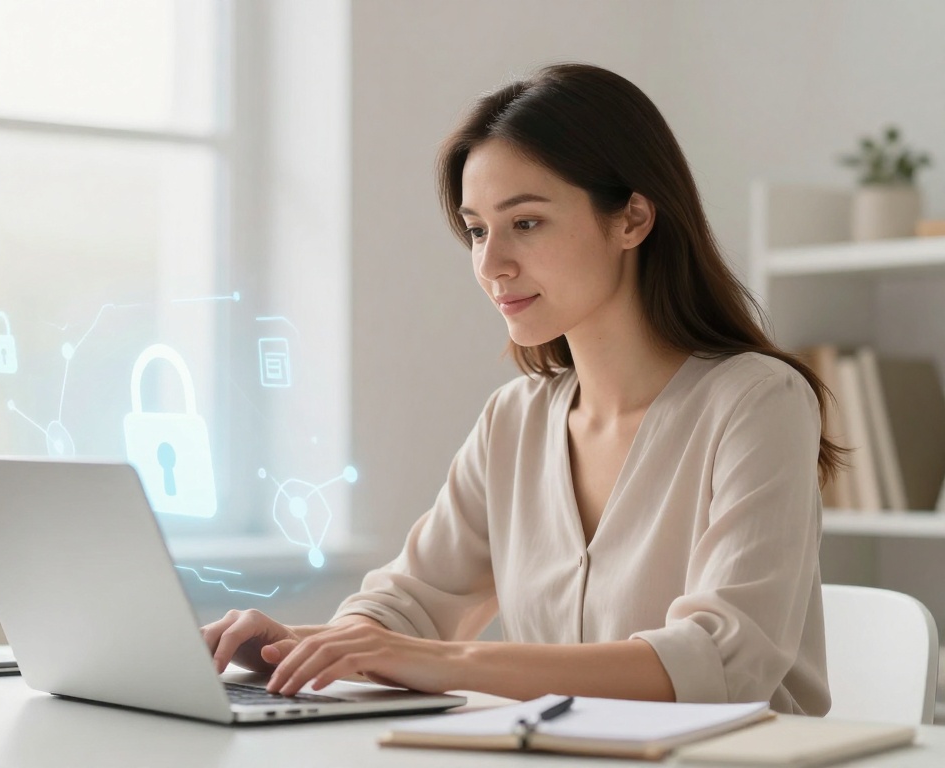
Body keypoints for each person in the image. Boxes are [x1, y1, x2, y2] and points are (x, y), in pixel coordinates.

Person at [202, 62, 842, 716]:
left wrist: (450, 663)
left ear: (633, 219)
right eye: (477, 230)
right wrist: (292, 646)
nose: (490, 263)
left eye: (526, 223)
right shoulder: (515, 420)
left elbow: (725, 661)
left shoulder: (759, 402)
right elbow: (414, 601)